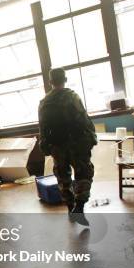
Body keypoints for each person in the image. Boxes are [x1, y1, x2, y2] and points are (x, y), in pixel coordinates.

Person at [38, 68, 97, 226]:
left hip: (57, 146)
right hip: (77, 144)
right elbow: (84, 119)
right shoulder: (72, 96)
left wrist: (46, 145)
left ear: (50, 82)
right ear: (65, 79)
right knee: (84, 174)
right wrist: (92, 137)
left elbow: (42, 128)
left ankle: (70, 209)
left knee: (63, 178)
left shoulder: (44, 102)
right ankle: (79, 208)